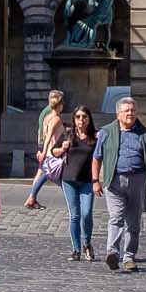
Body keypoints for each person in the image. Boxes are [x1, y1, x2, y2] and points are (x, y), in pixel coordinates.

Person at [92, 95, 146, 273]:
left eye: (132, 110)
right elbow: (96, 157)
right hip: (114, 180)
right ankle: (112, 253)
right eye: (126, 111)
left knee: (133, 221)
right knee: (116, 217)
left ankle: (129, 257)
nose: (130, 114)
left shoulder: (144, 133)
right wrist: (95, 181)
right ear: (118, 114)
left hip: (138, 180)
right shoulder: (107, 132)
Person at [53, 105, 99, 261]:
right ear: (74, 119)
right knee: (75, 215)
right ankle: (76, 249)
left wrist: (96, 180)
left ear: (89, 119)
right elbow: (54, 151)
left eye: (84, 117)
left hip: (87, 180)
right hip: (69, 179)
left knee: (86, 214)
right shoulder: (68, 134)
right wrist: (62, 149)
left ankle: (87, 243)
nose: (81, 120)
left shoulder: (95, 137)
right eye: (78, 117)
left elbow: (99, 158)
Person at [23, 89, 68, 210]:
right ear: (59, 105)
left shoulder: (47, 116)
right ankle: (74, 201)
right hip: (53, 153)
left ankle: (32, 198)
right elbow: (47, 136)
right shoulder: (56, 118)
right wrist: (42, 150)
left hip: (48, 152)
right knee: (61, 178)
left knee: (46, 175)